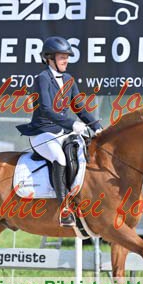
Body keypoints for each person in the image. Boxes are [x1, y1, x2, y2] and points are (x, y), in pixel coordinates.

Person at [17, 36, 102, 227]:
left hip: (62, 132)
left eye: (67, 57)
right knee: (60, 158)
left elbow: (79, 108)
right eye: (62, 57)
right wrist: (72, 124)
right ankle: (64, 209)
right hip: (42, 133)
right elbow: (46, 110)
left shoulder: (69, 79)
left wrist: (96, 127)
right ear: (50, 58)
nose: (66, 60)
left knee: (83, 152)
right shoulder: (42, 79)